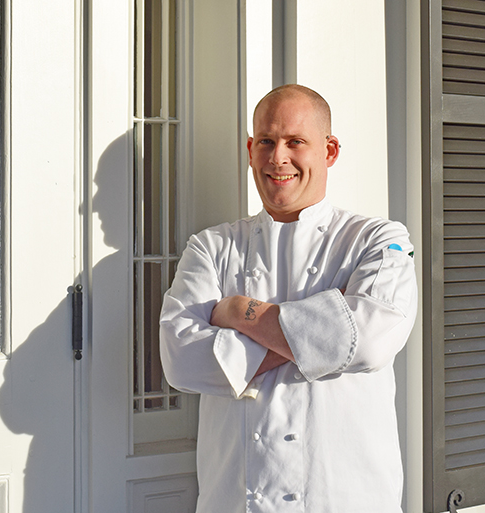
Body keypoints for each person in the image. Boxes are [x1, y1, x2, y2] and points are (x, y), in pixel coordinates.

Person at [159, 84, 417, 512]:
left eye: (296, 141)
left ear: (329, 151)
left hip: (347, 499)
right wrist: (323, 329)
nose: (278, 157)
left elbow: (368, 342)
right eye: (266, 141)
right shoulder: (211, 247)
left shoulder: (377, 240)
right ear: (250, 149)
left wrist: (239, 311)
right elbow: (180, 359)